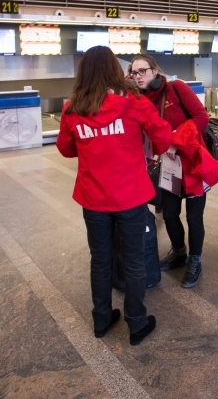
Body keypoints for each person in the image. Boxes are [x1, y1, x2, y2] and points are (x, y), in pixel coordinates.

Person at [57, 46, 172, 345]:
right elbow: (163, 138)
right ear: (113, 70)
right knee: (133, 261)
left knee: (100, 259)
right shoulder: (133, 102)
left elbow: (66, 149)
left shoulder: (72, 109)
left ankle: (102, 319)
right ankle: (136, 323)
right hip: (130, 196)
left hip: (93, 198)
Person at [129, 54, 211, 289]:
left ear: (155, 71)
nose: (138, 77)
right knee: (170, 214)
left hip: (193, 161)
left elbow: (201, 117)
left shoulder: (177, 88)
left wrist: (176, 141)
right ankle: (179, 252)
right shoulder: (141, 99)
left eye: (142, 71)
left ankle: (196, 259)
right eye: (134, 73)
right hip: (168, 165)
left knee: (194, 216)